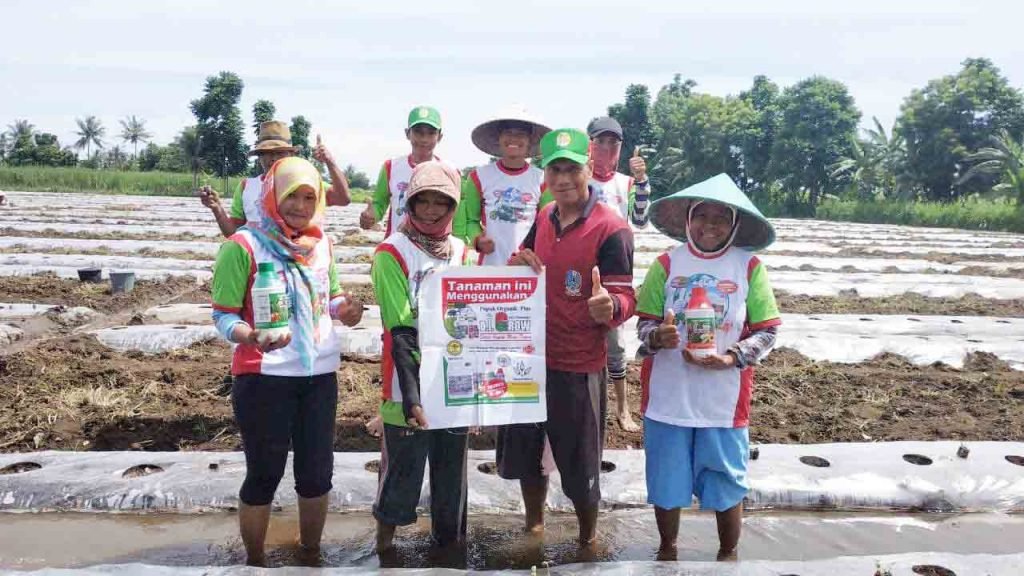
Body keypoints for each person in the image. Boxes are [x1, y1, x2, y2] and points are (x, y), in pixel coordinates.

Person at [210, 157, 364, 566]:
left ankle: (311, 554)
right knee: (264, 474)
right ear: (273, 196)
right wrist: (251, 336)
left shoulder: (322, 245)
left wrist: (345, 308)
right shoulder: (243, 245)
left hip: (318, 377)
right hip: (265, 378)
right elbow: (223, 314)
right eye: (291, 195)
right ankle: (255, 561)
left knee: (316, 477)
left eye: (309, 196)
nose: (299, 204)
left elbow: (329, 298)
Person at [499, 128, 636, 550]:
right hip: (529, 359)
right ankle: (534, 527)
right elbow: (521, 257)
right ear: (545, 175)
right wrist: (518, 259)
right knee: (526, 453)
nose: (563, 179)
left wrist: (609, 307)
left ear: (589, 167)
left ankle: (588, 537)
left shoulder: (611, 229)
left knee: (580, 463)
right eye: (554, 170)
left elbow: (625, 295)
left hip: (577, 364)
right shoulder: (543, 217)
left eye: (571, 169)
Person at [634, 173, 781, 562]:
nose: (710, 224)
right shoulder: (666, 264)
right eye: (702, 215)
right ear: (688, 218)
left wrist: (732, 357)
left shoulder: (748, 267)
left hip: (723, 401)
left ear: (734, 224)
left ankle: (727, 556)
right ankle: (667, 552)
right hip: (669, 396)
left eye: (721, 217)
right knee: (666, 481)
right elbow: (644, 323)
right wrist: (657, 337)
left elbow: (767, 332)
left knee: (726, 482)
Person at [370, 161, 472, 555]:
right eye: (422, 201)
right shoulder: (391, 254)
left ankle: (448, 551)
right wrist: (413, 398)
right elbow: (401, 331)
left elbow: (473, 320)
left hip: (453, 386)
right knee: (401, 476)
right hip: (404, 387)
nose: (430, 211)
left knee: (451, 482)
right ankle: (384, 552)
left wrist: (475, 399)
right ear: (408, 203)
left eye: (441, 203)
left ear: (454, 206)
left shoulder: (462, 252)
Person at [587, 116, 652, 433]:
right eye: (601, 141)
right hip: (580, 270)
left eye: (614, 143)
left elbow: (640, 219)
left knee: (615, 343)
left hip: (614, 275)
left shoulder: (626, 183)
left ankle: (623, 410)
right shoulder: (577, 178)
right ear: (590, 144)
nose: (608, 148)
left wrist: (642, 181)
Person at [200, 121, 351, 237]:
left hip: (300, 260)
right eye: (266, 153)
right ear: (259, 157)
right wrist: (217, 209)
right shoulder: (247, 187)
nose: (272, 158)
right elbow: (234, 233)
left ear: (290, 155)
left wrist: (330, 162)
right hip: (261, 267)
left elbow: (343, 198)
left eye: (279, 153)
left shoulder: (304, 182)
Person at [454, 107, 550, 265]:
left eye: (520, 134)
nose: (513, 139)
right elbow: (471, 221)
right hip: (490, 265)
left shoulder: (542, 179)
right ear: (498, 138)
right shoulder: (478, 177)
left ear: (530, 140)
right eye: (508, 133)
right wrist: (478, 240)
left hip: (528, 265)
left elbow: (547, 225)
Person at [360, 106, 452, 236]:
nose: (424, 139)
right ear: (407, 133)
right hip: (396, 248)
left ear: (440, 136)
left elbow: (456, 218)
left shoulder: (448, 171)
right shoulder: (391, 167)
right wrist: (370, 216)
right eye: (418, 132)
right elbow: (379, 204)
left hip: (433, 249)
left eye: (431, 133)